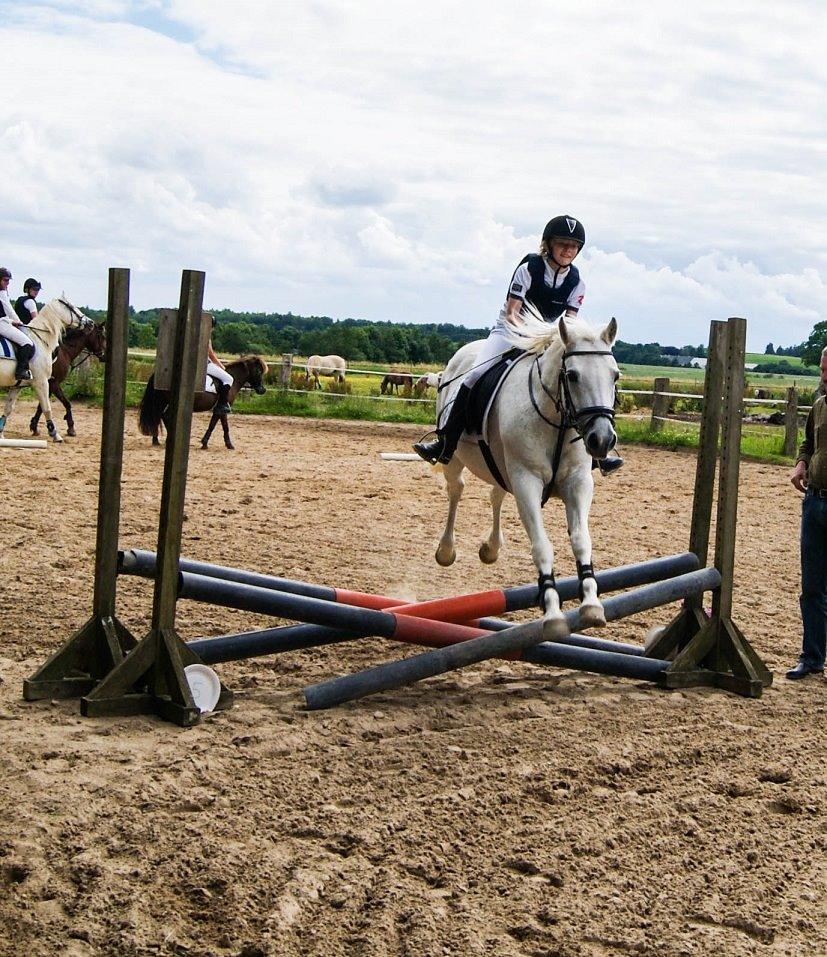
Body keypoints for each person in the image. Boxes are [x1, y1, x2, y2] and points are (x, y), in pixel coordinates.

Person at [413, 216, 623, 474]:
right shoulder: (529, 268)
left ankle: (598, 454)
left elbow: (569, 323)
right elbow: (513, 312)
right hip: (510, 331)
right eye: (562, 244)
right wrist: (530, 336)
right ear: (549, 244)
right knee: (474, 375)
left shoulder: (577, 282)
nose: (568, 250)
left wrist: (557, 343)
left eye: (573, 246)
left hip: (548, 338)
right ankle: (445, 442)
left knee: (583, 381)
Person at [787, 345, 827, 680]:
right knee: (812, 586)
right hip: (815, 501)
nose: (824, 378)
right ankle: (812, 658)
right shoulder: (820, 405)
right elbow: (808, 444)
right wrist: (801, 463)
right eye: (823, 371)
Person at [0, 267, 35, 380]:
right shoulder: (1, 293)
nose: (8, 283)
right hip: (1, 324)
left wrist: (11, 321)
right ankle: (20, 371)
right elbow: (8, 309)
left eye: (8, 280)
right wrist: (18, 321)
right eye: (5, 280)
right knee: (27, 343)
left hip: (4, 321)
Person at [206, 320, 233, 415]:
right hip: (205, 365)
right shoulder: (206, 335)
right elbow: (211, 354)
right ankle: (221, 404)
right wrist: (222, 367)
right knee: (228, 379)